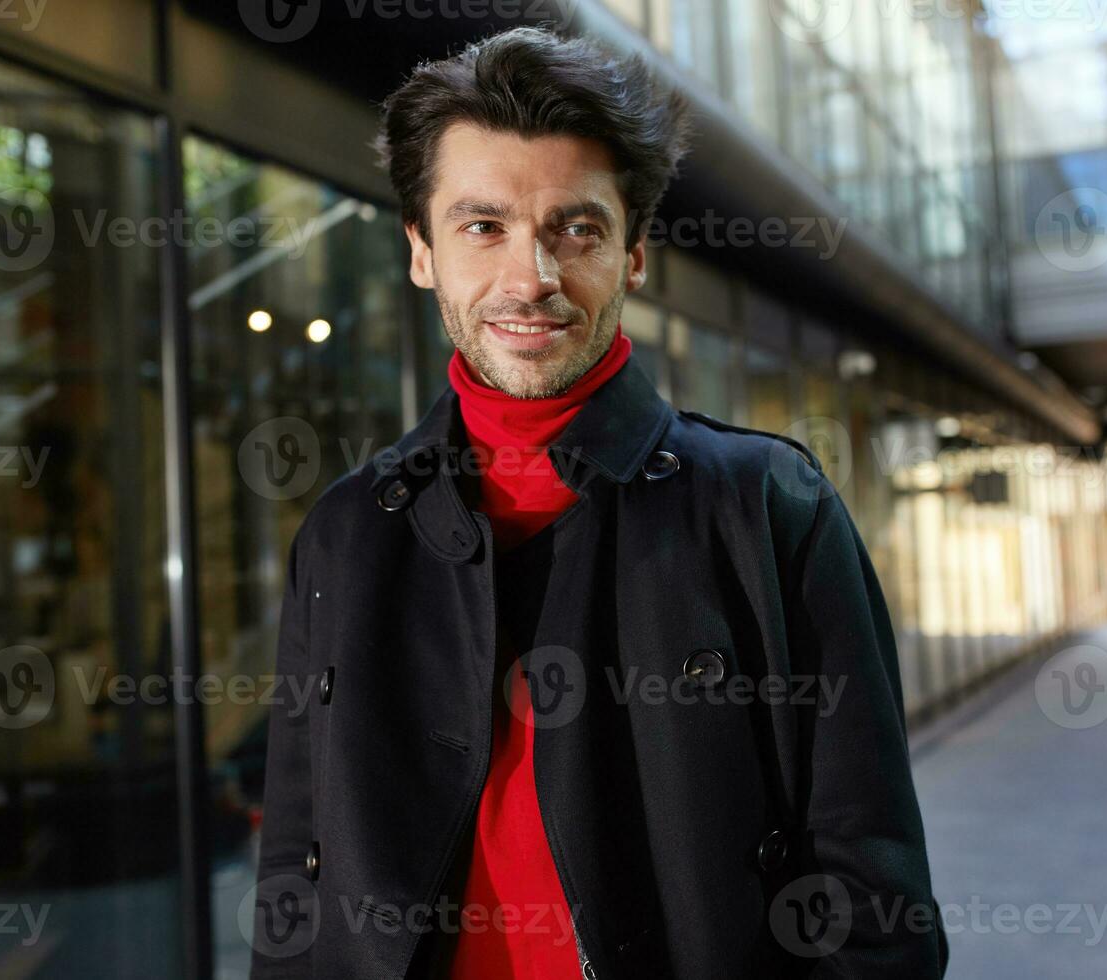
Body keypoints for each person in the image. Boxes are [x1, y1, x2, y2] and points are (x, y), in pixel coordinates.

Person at [250, 24, 947, 980]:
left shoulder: (767, 505)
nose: (529, 279)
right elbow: (296, 862)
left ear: (633, 254)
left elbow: (874, 903)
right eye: (482, 226)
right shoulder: (345, 532)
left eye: (575, 228)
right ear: (421, 251)